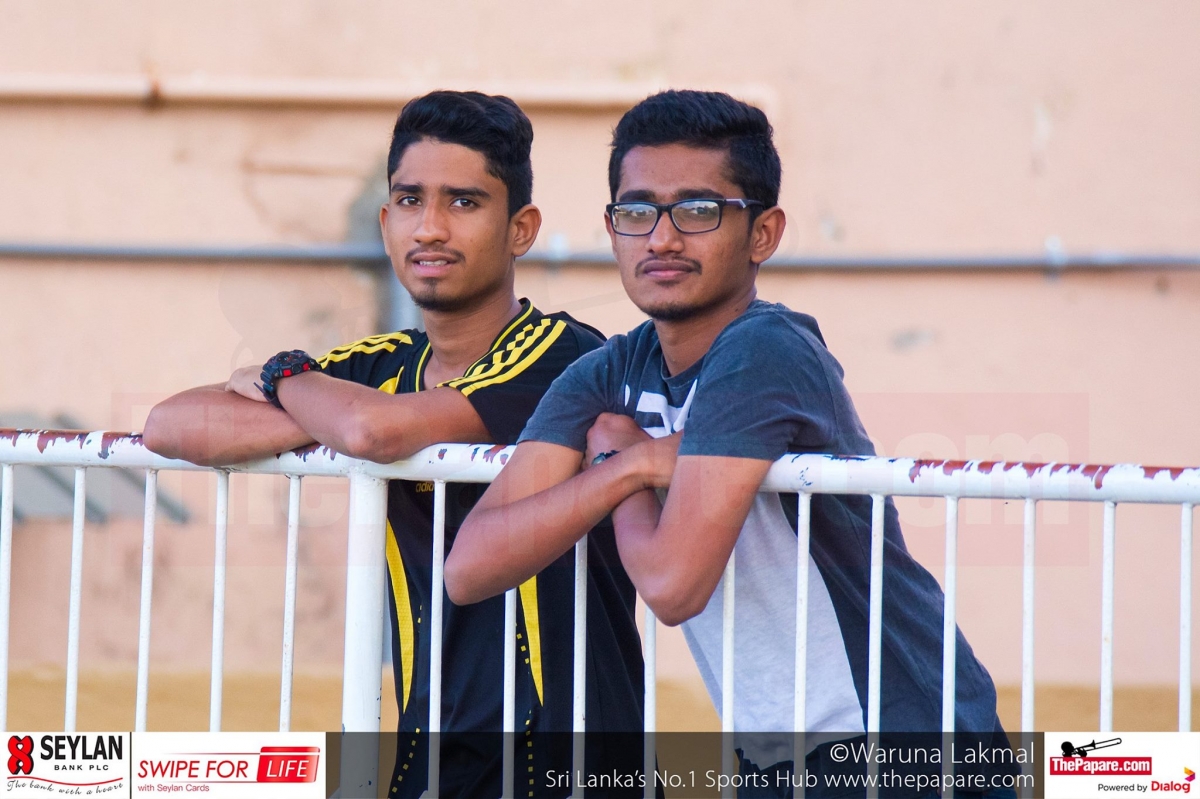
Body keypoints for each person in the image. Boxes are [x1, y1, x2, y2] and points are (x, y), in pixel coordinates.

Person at [447, 90, 1017, 798]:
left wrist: (621, 460)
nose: (662, 239)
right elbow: (468, 568)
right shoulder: (608, 372)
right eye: (637, 212)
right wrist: (624, 469)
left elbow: (671, 586)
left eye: (698, 211)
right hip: (776, 757)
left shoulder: (764, 350)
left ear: (763, 234)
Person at [143, 90, 644, 798]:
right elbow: (169, 424)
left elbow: (372, 431)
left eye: (464, 202)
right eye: (410, 200)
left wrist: (289, 379)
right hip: (433, 764)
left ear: (521, 229)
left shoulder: (564, 356)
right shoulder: (382, 365)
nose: (431, 227)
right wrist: (330, 405)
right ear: (385, 224)